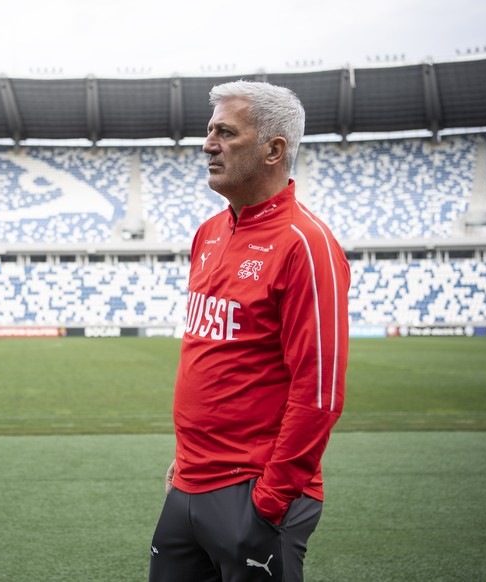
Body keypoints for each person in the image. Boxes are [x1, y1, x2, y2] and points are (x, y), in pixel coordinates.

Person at [148, 80, 350, 582]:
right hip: (188, 484)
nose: (207, 144)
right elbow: (211, 359)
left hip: (254, 490)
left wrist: (271, 499)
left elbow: (319, 391)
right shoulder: (209, 232)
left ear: (273, 150)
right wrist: (184, 460)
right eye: (209, 130)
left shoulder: (307, 244)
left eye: (225, 132)